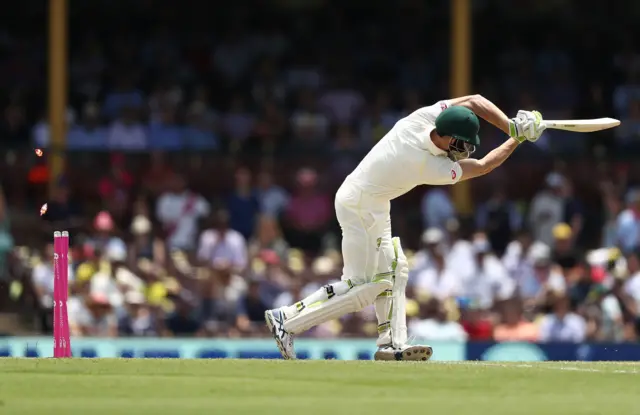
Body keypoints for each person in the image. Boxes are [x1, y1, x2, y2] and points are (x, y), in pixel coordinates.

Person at [265, 94, 544, 360]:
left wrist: (510, 125)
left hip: (372, 202)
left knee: (396, 268)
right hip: (360, 204)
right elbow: (483, 166)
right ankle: (287, 320)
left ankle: (392, 344)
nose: (466, 151)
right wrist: (517, 138)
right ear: (446, 137)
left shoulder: (424, 116)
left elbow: (475, 101)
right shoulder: (424, 163)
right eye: (463, 145)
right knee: (363, 289)